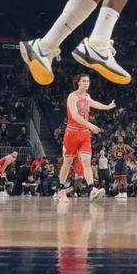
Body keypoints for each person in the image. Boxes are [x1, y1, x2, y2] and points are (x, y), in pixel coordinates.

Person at [57, 74, 116, 203]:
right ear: (78, 82)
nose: (86, 83)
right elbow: (75, 115)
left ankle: (92, 189)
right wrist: (90, 125)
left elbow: (94, 103)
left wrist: (108, 107)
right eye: (84, 81)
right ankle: (61, 190)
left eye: (88, 81)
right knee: (67, 162)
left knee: (86, 162)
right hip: (72, 133)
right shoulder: (72, 96)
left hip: (84, 134)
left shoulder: (87, 96)